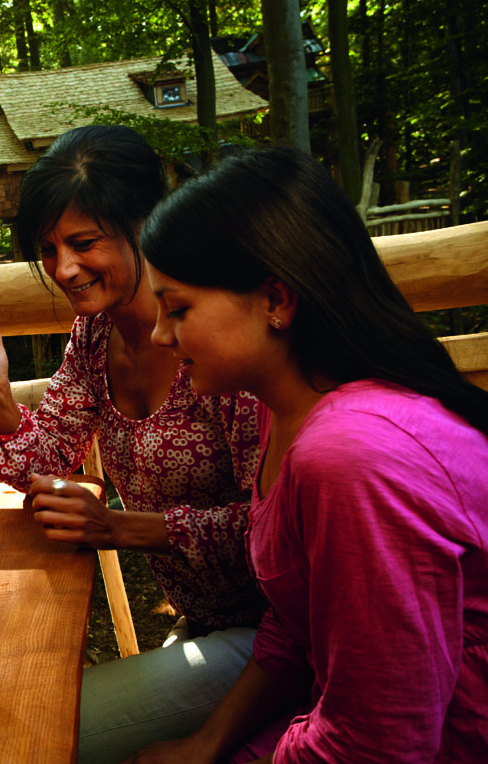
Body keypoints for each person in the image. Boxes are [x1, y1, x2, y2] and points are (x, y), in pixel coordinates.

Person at [133, 145, 488, 762]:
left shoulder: (351, 457)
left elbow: (380, 742)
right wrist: (205, 745)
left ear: (276, 301)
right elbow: (298, 623)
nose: (161, 334)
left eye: (179, 308)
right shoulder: (286, 413)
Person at [0, 125, 268, 762]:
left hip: (275, 642)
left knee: (29, 727)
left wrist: (121, 527)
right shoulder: (94, 334)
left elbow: (278, 527)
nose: (63, 269)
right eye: (48, 249)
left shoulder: (219, 334)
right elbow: (47, 456)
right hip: (201, 627)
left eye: (83, 244)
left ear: (145, 222)